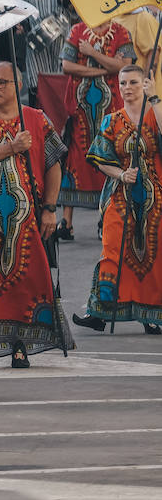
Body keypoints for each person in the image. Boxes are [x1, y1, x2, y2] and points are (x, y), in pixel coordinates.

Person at [0, 63, 74, 364]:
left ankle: (21, 343)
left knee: (27, 282)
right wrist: (11, 146)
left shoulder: (36, 120)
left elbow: (54, 165)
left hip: (29, 222)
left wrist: (51, 208)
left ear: (18, 84)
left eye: (1, 82)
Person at [74, 65, 162, 334]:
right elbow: (101, 159)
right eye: (123, 82)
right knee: (112, 250)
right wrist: (121, 174)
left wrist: (155, 98)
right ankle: (100, 312)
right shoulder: (111, 120)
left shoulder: (154, 114)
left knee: (154, 253)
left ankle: (152, 315)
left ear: (144, 84)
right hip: (120, 195)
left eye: (134, 82)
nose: (127, 87)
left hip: (155, 198)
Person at [58, 17, 135, 238]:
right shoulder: (76, 31)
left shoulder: (121, 32)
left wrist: (92, 53)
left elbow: (124, 66)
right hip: (80, 111)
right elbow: (67, 66)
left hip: (111, 110)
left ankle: (106, 219)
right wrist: (105, 69)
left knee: (112, 157)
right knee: (74, 159)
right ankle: (66, 222)